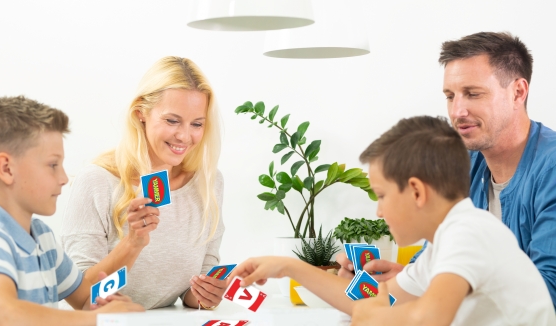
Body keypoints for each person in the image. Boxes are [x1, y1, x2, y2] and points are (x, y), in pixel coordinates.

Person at [231, 116, 555, 325]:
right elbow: (374, 299)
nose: (379, 212)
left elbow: (430, 318)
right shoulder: (439, 248)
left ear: (415, 191)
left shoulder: (470, 231)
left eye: (381, 196)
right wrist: (287, 267)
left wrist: (371, 316)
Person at [337, 31, 556, 308]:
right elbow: (436, 258)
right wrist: (403, 280)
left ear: (518, 92)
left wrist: (433, 294)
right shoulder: (463, 162)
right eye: (450, 96)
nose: (457, 111)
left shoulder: (551, 168)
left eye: (473, 94)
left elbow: (548, 294)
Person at [0, 96, 144, 325]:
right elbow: (3, 315)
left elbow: (83, 296)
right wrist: (94, 319)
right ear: (6, 169)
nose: (64, 178)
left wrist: (103, 304)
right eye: (53, 165)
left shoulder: (42, 238)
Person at [61, 56, 226, 310]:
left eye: (196, 124)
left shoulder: (208, 184)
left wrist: (207, 294)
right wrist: (132, 243)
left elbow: (193, 293)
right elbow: (81, 299)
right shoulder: (96, 181)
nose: (184, 136)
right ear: (141, 114)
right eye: (172, 120)